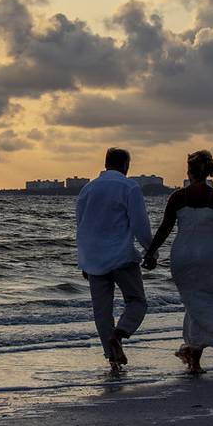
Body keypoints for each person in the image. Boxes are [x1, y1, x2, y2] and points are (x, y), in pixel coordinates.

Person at [143, 150, 213, 374]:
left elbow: (164, 229)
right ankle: (202, 347)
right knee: (209, 302)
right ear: (209, 172)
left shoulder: (177, 197)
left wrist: (151, 253)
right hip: (210, 256)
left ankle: (192, 355)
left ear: (188, 171)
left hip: (182, 256)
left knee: (193, 305)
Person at [76, 147, 153, 374]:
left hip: (93, 258)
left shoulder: (87, 189)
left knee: (102, 311)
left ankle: (113, 361)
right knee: (137, 301)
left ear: (106, 163)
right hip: (121, 257)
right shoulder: (129, 187)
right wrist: (151, 251)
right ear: (126, 166)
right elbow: (140, 225)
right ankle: (119, 335)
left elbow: (81, 226)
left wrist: (83, 260)